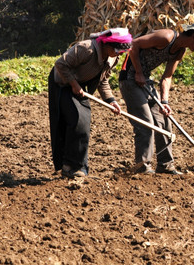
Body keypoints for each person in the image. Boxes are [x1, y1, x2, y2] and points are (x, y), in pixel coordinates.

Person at [119, 20, 194, 175]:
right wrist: (138, 72)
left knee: (164, 121)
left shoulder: (179, 51)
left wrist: (165, 101)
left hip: (145, 81)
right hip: (129, 78)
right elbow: (134, 44)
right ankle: (142, 166)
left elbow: (167, 77)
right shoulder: (166, 37)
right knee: (146, 124)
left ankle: (165, 164)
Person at [48, 28, 132, 178]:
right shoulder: (86, 49)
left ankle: (76, 167)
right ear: (107, 45)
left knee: (82, 122)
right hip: (61, 82)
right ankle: (70, 166)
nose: (119, 54)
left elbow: (103, 80)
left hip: (79, 86)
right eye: (117, 50)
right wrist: (74, 84)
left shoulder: (113, 58)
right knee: (76, 120)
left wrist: (111, 100)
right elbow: (60, 64)